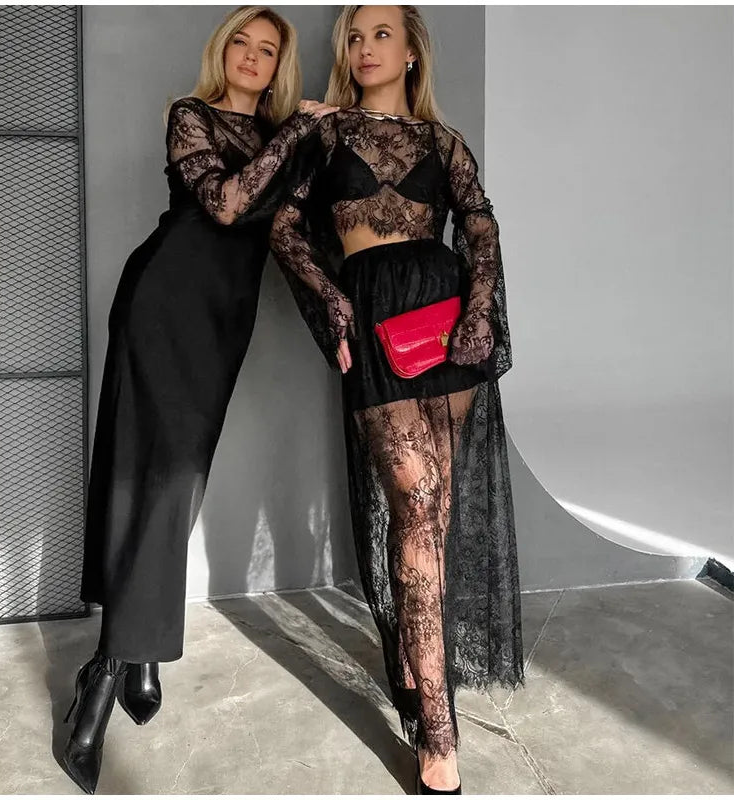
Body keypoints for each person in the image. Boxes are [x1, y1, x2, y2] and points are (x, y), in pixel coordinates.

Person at [63, 7, 337, 794]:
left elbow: (286, 231)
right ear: (224, 53)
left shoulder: (288, 139)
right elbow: (222, 204)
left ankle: (141, 647)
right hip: (162, 301)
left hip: (222, 320)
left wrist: (340, 314)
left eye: (268, 49)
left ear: (279, 62)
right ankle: (107, 673)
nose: (253, 58)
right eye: (242, 45)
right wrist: (296, 132)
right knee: (146, 473)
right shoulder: (192, 116)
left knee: (177, 481)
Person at [269, 5, 524, 794]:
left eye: (381, 32)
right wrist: (331, 303)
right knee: (414, 504)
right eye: (354, 34)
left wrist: (480, 310)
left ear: (412, 52)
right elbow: (284, 227)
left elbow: (479, 224)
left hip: (444, 321)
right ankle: (439, 728)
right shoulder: (323, 135)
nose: (364, 45)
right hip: (375, 309)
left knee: (433, 518)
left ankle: (418, 671)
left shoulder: (444, 142)